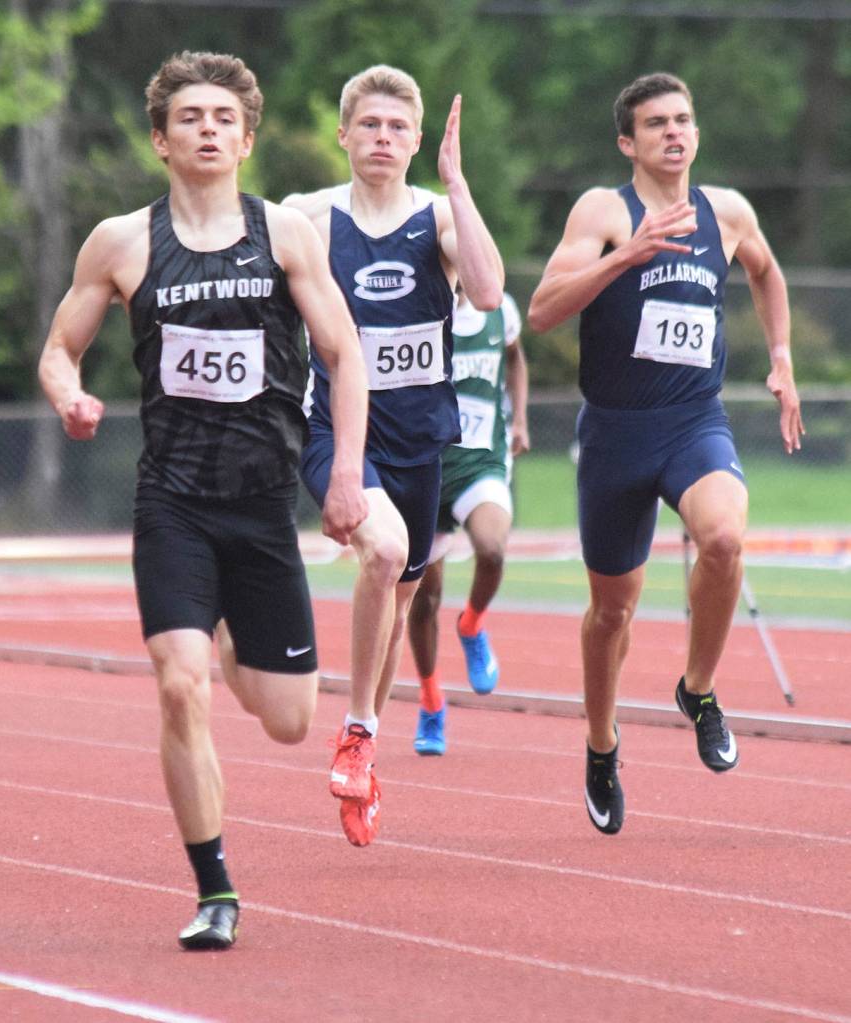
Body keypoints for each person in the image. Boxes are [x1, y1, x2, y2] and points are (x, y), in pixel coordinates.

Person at [38, 51, 368, 950]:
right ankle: (215, 887)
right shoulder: (122, 241)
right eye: (190, 116)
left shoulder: (287, 235)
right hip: (173, 500)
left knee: (291, 719)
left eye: (225, 116)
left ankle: (230, 634)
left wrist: (346, 475)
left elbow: (346, 355)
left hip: (262, 507)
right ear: (161, 138)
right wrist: (68, 394)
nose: (209, 128)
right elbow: (60, 346)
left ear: (248, 139)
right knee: (180, 687)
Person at [527, 72, 803, 836]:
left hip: (692, 420)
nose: (674, 133)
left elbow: (767, 273)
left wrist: (781, 357)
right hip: (615, 433)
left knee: (722, 535)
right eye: (656, 124)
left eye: (683, 120)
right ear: (629, 142)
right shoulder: (604, 211)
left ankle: (699, 688)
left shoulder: (729, 212)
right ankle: (601, 743)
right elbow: (543, 311)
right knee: (612, 611)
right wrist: (625, 256)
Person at [283, 65, 503, 846]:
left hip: (420, 444)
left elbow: (485, 289)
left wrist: (458, 184)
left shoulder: (440, 216)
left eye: (397, 128)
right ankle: (357, 732)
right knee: (384, 552)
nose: (382, 139)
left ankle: (363, 743)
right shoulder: (307, 217)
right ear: (343, 134)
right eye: (368, 125)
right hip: (337, 436)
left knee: (398, 602)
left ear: (415, 140)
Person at [406, 289, 530, 755]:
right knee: (423, 598)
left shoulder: (500, 307)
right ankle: (431, 700)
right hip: (426, 466)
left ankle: (473, 625)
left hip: (481, 462)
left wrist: (519, 419)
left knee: (493, 549)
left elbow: (516, 359)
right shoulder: (416, 307)